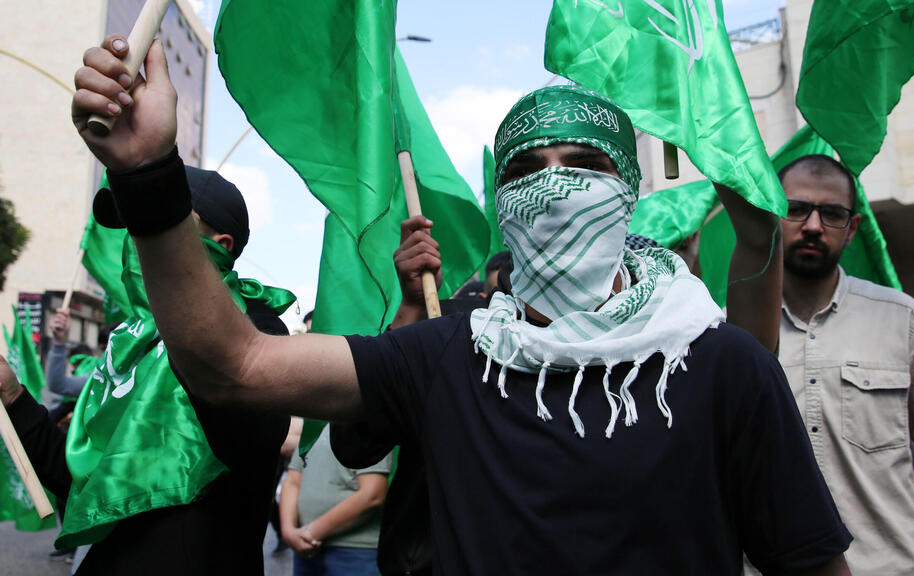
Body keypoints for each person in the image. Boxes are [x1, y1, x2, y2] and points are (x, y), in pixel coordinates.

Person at [70, 35, 853, 574]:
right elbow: (232, 365)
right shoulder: (446, 354)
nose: (554, 187)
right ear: (499, 202)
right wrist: (148, 175)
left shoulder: (722, 364)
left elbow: (809, 562)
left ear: (629, 192)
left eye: (583, 163)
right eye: (526, 170)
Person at [0, 164, 293, 575]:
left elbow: (251, 440)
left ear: (219, 244)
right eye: (135, 225)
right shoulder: (132, 341)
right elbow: (84, 486)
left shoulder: (258, 331)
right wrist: (13, 396)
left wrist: (188, 324)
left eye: (160, 222)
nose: (139, 239)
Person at [775, 153, 914, 574]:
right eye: (797, 209)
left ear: (853, 228)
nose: (813, 226)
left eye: (832, 213)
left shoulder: (902, 319)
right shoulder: (730, 331)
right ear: (772, 216)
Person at [280, 427, 390, 576]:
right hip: (304, 547)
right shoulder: (314, 428)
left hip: (355, 550)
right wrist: (288, 531)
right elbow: (292, 481)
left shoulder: (364, 426)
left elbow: (373, 494)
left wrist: (311, 532)